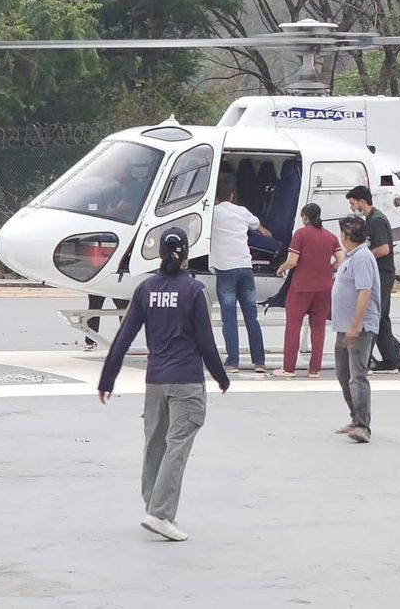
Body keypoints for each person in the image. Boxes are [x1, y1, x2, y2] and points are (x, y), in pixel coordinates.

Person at [97, 227, 230, 542]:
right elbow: (206, 342)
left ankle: (153, 506)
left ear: (158, 254)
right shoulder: (194, 291)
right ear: (187, 256)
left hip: (155, 380)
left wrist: (107, 378)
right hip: (186, 381)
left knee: (155, 445)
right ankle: (160, 514)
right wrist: (221, 375)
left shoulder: (145, 289)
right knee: (177, 446)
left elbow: (124, 337)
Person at [211, 181, 274, 373]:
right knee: (251, 317)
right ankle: (259, 362)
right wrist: (265, 232)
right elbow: (257, 225)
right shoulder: (242, 211)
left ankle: (232, 362)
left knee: (229, 318)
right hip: (245, 268)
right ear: (232, 196)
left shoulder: (212, 213)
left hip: (225, 269)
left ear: (216, 198)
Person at [275, 203, 344, 378]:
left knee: (293, 326)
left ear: (305, 217)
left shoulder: (300, 234)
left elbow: (293, 261)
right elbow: (341, 260)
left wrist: (281, 267)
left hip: (301, 287)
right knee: (318, 328)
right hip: (324, 287)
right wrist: (328, 269)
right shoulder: (331, 237)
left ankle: (289, 368)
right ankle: (314, 369)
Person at [331, 214, 381, 443]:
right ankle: (355, 417)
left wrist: (355, 325)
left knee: (357, 376)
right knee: (343, 374)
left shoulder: (362, 258)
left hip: (358, 327)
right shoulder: (351, 257)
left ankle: (363, 425)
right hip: (345, 326)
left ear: (346, 236)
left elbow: (365, 293)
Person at [346, 185, 400, 372]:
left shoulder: (376, 220)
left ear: (362, 202)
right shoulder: (369, 219)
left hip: (382, 273)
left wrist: (363, 256)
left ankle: (364, 360)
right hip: (379, 272)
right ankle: (390, 361)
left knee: (373, 315)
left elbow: (384, 248)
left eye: (353, 203)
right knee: (382, 317)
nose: (352, 207)